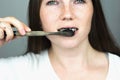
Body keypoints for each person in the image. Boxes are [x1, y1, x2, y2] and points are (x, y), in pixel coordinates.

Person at [0, 0, 120, 80]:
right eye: (53, 2)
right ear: (38, 16)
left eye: (79, 0)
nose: (67, 14)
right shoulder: (11, 72)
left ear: (94, 12)